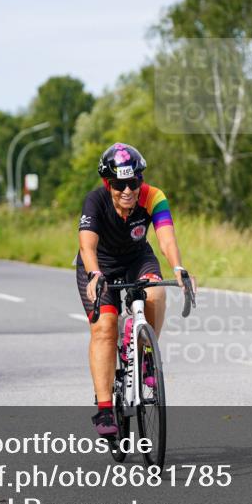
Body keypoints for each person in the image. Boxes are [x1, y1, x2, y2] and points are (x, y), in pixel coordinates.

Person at [77, 143, 193, 437]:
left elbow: (166, 239)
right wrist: (95, 274)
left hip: (137, 259)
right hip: (99, 266)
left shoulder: (153, 197)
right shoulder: (95, 201)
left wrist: (178, 267)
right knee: (105, 327)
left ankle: (145, 358)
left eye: (133, 182)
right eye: (119, 184)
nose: (127, 190)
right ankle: (105, 409)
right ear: (108, 183)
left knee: (156, 292)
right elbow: (87, 245)